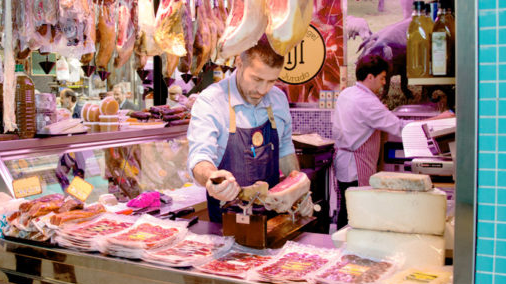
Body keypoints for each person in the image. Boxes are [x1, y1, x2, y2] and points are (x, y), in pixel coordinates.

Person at [187, 36, 311, 222]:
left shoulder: (278, 100)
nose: (262, 90)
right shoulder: (211, 101)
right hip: (226, 223)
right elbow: (200, 159)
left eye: (271, 81)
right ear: (239, 63)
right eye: (257, 79)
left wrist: (298, 191)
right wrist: (213, 177)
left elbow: (285, 150)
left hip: (272, 219)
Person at [332, 54, 452, 229]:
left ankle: (341, 248)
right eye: (382, 78)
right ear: (370, 77)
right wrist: (439, 118)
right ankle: (350, 249)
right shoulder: (367, 102)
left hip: (344, 162)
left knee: (347, 208)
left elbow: (363, 120)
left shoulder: (348, 93)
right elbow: (401, 128)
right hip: (356, 167)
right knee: (358, 213)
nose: (383, 83)